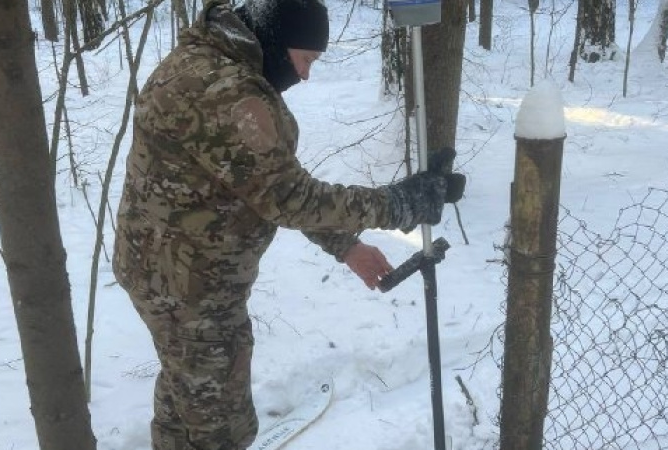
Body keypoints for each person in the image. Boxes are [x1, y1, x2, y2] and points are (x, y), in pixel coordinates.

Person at [112, 0, 463, 448]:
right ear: (277, 42)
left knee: (185, 392)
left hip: (165, 270)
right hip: (190, 290)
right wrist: (398, 205)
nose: (305, 74)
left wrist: (345, 246)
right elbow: (289, 197)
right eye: (306, 59)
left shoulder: (207, 60)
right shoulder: (227, 91)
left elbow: (258, 183)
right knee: (220, 428)